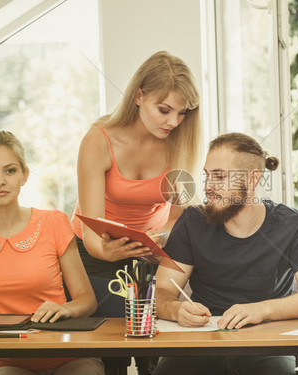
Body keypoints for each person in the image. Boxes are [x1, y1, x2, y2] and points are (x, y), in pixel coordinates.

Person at [70, 50, 201, 374]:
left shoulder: (179, 141)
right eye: (164, 109)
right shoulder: (99, 140)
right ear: (139, 95)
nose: (173, 121)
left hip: (150, 250)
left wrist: (161, 241)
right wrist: (106, 250)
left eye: (181, 113)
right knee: (109, 348)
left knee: (153, 348)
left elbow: (175, 217)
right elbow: (92, 231)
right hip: (94, 250)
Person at [0, 131, 104, 375]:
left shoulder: (54, 222)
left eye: (10, 170)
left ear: (24, 175)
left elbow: (86, 300)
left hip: (70, 356)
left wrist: (67, 308)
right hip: (9, 363)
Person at [152, 132, 298, 375]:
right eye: (208, 175)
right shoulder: (192, 221)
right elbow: (161, 292)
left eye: (219, 176)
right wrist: (176, 310)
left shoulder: (293, 224)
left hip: (267, 346)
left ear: (252, 180)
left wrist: (261, 310)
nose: (208, 186)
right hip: (201, 343)